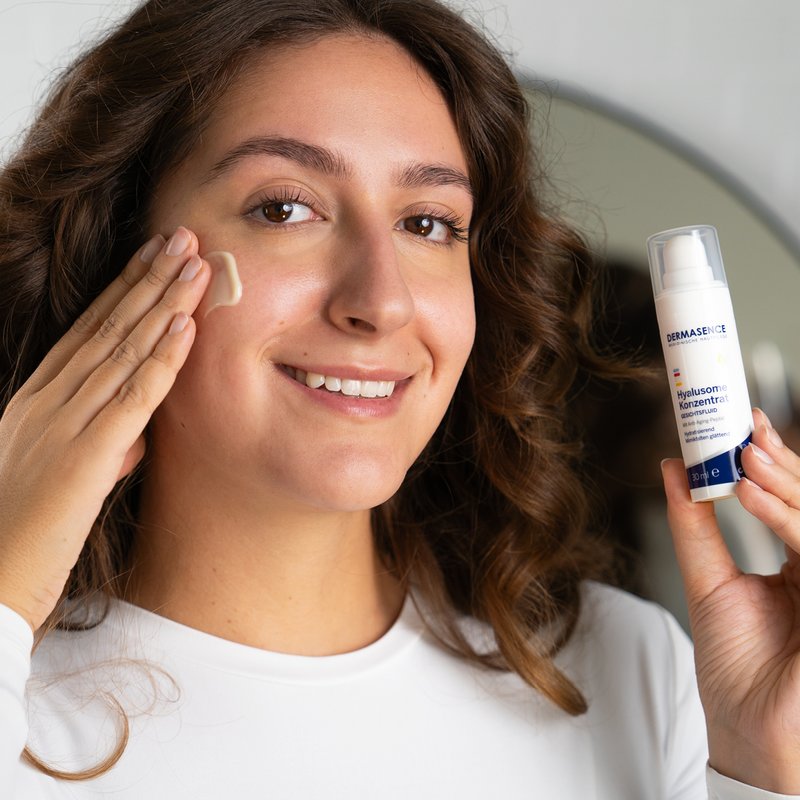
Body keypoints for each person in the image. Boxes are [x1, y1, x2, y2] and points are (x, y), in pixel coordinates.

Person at [0, 0, 798, 796]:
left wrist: (763, 764)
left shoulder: (627, 669)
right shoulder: (22, 703)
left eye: (427, 224)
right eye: (283, 208)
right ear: (114, 250)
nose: (381, 302)